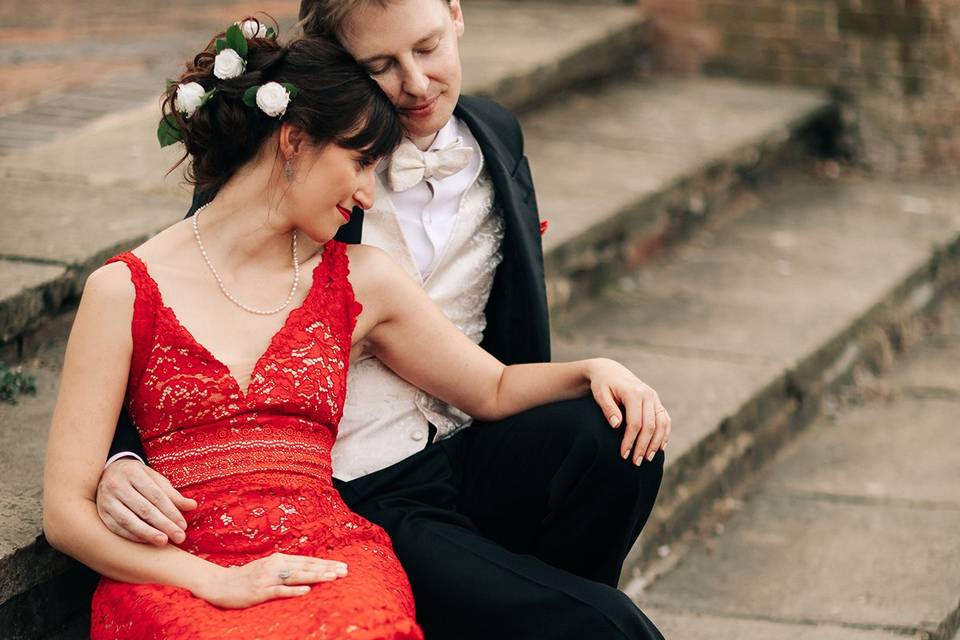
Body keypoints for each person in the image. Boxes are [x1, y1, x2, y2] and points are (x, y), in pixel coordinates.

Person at [95, 1, 671, 638]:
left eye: (426, 48)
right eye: (382, 65)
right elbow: (178, 315)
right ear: (339, 65)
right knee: (594, 623)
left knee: (616, 434)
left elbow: (494, 381)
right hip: (362, 477)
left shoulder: (496, 134)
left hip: (468, 430)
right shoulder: (291, 171)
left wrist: (594, 371)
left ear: (455, 13)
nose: (417, 84)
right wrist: (121, 454)